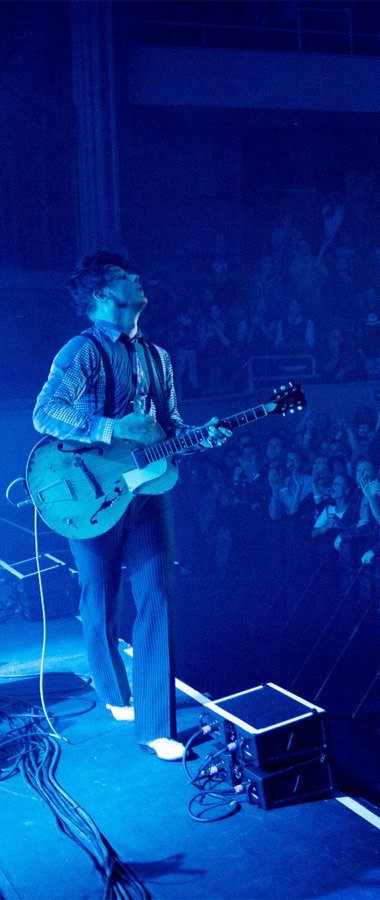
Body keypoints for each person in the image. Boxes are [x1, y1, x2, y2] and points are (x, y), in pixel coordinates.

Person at [32, 252, 229, 761]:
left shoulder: (158, 357)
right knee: (98, 599)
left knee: (158, 595)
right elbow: (45, 412)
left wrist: (201, 437)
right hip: (90, 493)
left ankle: (156, 725)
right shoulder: (83, 351)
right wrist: (112, 427)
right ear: (101, 296)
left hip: (146, 495)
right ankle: (114, 692)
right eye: (123, 277)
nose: (137, 278)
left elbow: (171, 427)